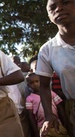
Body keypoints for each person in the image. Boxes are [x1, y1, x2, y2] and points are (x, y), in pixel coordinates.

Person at [35, 0, 75, 136]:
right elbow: (44, 86)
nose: (59, 9)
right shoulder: (47, 50)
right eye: (52, 7)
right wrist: (48, 115)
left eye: (65, 2)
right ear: (49, 17)